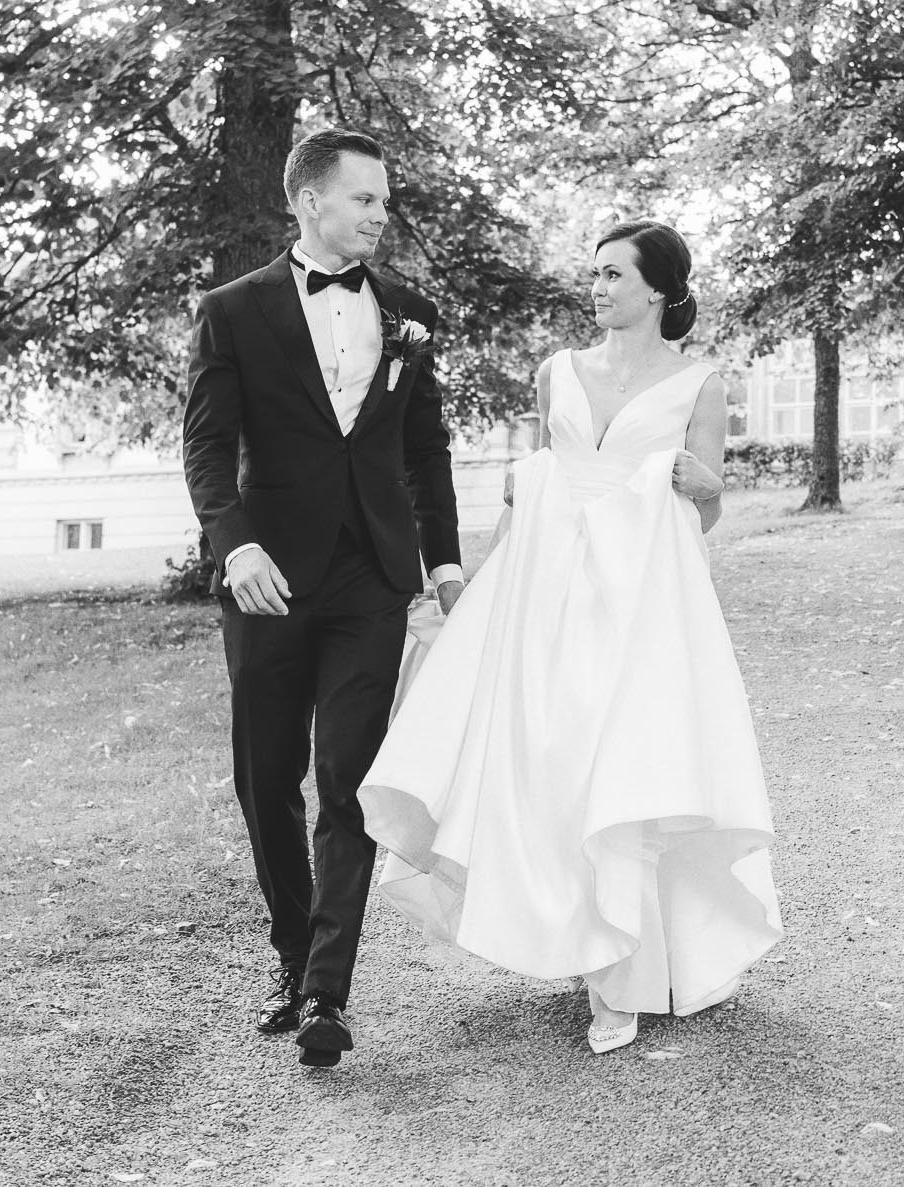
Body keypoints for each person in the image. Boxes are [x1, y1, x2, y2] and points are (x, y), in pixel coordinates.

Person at [360, 221, 783, 1056]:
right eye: (593, 274)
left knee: (627, 761)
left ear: (658, 288)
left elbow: (706, 504)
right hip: (550, 587)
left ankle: (627, 969)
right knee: (551, 760)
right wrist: (474, 587)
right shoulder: (558, 372)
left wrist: (697, 485)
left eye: (614, 274)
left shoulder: (701, 382)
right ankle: (577, 939)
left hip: (642, 600)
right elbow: (530, 490)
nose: (597, 288)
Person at [182, 126, 464, 1069]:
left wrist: (446, 561)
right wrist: (235, 546)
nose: (382, 214)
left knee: (345, 780)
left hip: (371, 578)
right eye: (366, 199)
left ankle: (324, 993)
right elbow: (207, 452)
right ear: (310, 203)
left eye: (384, 200)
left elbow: (425, 449)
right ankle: (292, 950)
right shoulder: (232, 311)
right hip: (268, 578)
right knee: (266, 780)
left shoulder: (411, 312)